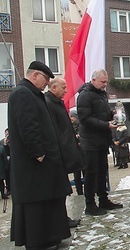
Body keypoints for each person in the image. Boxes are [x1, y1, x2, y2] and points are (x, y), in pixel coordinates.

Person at [7, 61, 71, 249]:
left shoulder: (31, 94)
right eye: (45, 79)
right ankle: (40, 241)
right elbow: (28, 126)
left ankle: (51, 236)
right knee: (37, 205)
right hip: (34, 165)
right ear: (35, 75)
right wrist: (37, 152)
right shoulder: (22, 94)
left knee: (48, 202)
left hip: (43, 164)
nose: (47, 84)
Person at [77, 69, 123, 216]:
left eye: (106, 82)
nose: (105, 84)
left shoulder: (101, 94)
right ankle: (90, 204)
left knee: (103, 171)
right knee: (91, 172)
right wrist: (106, 125)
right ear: (94, 80)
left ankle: (103, 199)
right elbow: (85, 119)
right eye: (103, 82)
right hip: (90, 141)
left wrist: (113, 115)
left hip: (102, 140)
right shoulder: (85, 95)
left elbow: (102, 113)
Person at [45, 77, 85, 228]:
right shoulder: (49, 104)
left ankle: (63, 218)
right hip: (59, 153)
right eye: (63, 87)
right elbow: (55, 131)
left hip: (66, 150)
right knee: (59, 188)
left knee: (62, 187)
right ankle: (61, 220)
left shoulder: (56, 103)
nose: (66, 91)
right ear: (53, 87)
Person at [69, 109, 84, 195]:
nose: (71, 118)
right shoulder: (69, 127)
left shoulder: (81, 126)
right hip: (75, 155)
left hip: (83, 153)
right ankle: (79, 192)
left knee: (86, 173)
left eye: (72, 116)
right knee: (77, 176)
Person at [0, 128, 10, 199]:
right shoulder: (1, 142)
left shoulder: (13, 141)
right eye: (6, 133)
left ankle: (6, 192)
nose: (7, 135)